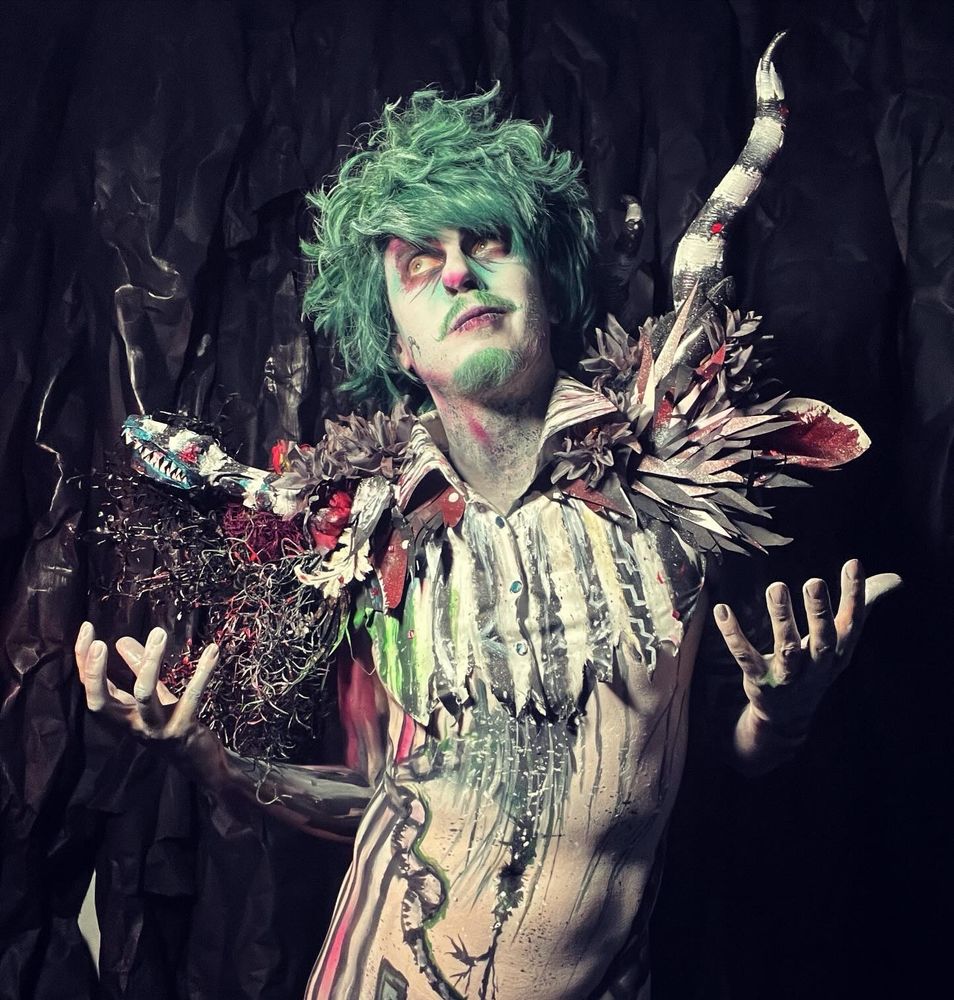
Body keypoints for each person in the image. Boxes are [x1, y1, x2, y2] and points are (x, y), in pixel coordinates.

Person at [74, 45, 898, 1000]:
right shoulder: (375, 547)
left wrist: (779, 718)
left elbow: (687, 760)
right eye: (420, 263)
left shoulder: (670, 487)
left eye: (488, 242)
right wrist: (209, 763)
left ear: (545, 278)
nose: (459, 273)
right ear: (398, 341)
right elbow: (378, 800)